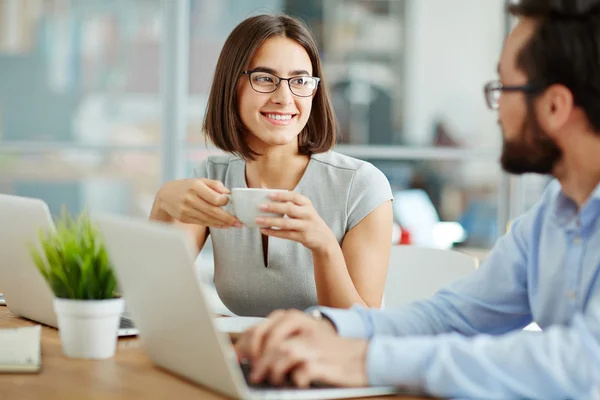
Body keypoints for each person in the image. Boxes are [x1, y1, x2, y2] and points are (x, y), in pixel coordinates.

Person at [234, 1, 600, 398]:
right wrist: (330, 328)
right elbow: (453, 316)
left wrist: (362, 360)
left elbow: (584, 364)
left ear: (554, 106)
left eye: (503, 89)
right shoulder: (551, 217)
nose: (496, 112)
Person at [149, 14, 393, 317]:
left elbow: (362, 329)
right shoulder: (214, 177)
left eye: (300, 81)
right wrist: (162, 205)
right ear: (232, 85)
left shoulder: (361, 187)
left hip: (329, 360)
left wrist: (324, 246)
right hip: (243, 358)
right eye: (265, 78)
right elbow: (154, 297)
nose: (284, 97)